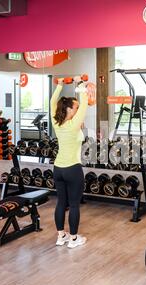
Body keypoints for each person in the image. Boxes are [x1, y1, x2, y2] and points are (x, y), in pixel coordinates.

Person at [51, 77, 89, 248]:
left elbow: (53, 101)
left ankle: (61, 236)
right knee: (73, 205)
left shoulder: (56, 121)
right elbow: (86, 100)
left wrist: (60, 84)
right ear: (69, 109)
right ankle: (73, 239)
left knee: (61, 202)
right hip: (73, 169)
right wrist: (80, 83)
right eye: (76, 107)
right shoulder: (73, 124)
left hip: (58, 168)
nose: (78, 109)